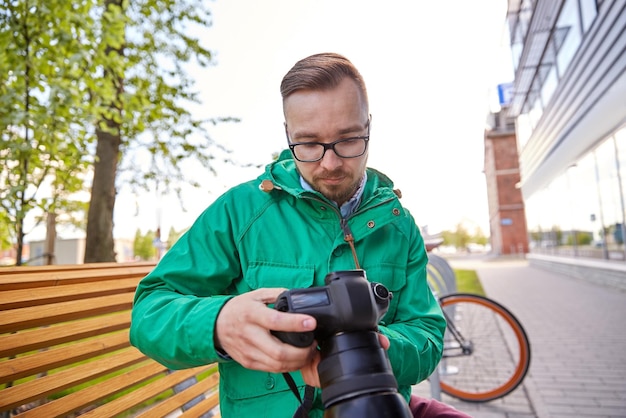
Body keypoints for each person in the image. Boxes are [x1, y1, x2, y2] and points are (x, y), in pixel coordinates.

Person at [130, 52, 467, 418]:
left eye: (349, 139)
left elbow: (428, 334)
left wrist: (377, 349)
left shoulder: (399, 225)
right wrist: (219, 323)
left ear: (369, 126)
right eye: (308, 144)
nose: (330, 163)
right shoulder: (240, 211)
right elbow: (150, 312)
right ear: (288, 134)